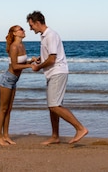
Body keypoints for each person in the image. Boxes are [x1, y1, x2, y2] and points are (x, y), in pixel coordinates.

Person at [27, 11, 89, 145]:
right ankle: (55, 136)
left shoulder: (50, 35)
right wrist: (40, 60)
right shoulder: (44, 36)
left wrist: (38, 67)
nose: (30, 28)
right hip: (52, 72)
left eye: (31, 25)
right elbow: (49, 56)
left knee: (54, 105)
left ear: (38, 23)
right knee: (53, 106)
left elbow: (52, 58)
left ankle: (80, 128)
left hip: (57, 72)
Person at [0, 25, 32, 146]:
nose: (23, 30)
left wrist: (31, 61)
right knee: (3, 109)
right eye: (20, 29)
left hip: (14, 80)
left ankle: (6, 135)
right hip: (7, 80)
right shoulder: (14, 46)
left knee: (9, 109)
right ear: (15, 33)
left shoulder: (22, 45)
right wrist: (30, 66)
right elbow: (15, 66)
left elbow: (21, 62)